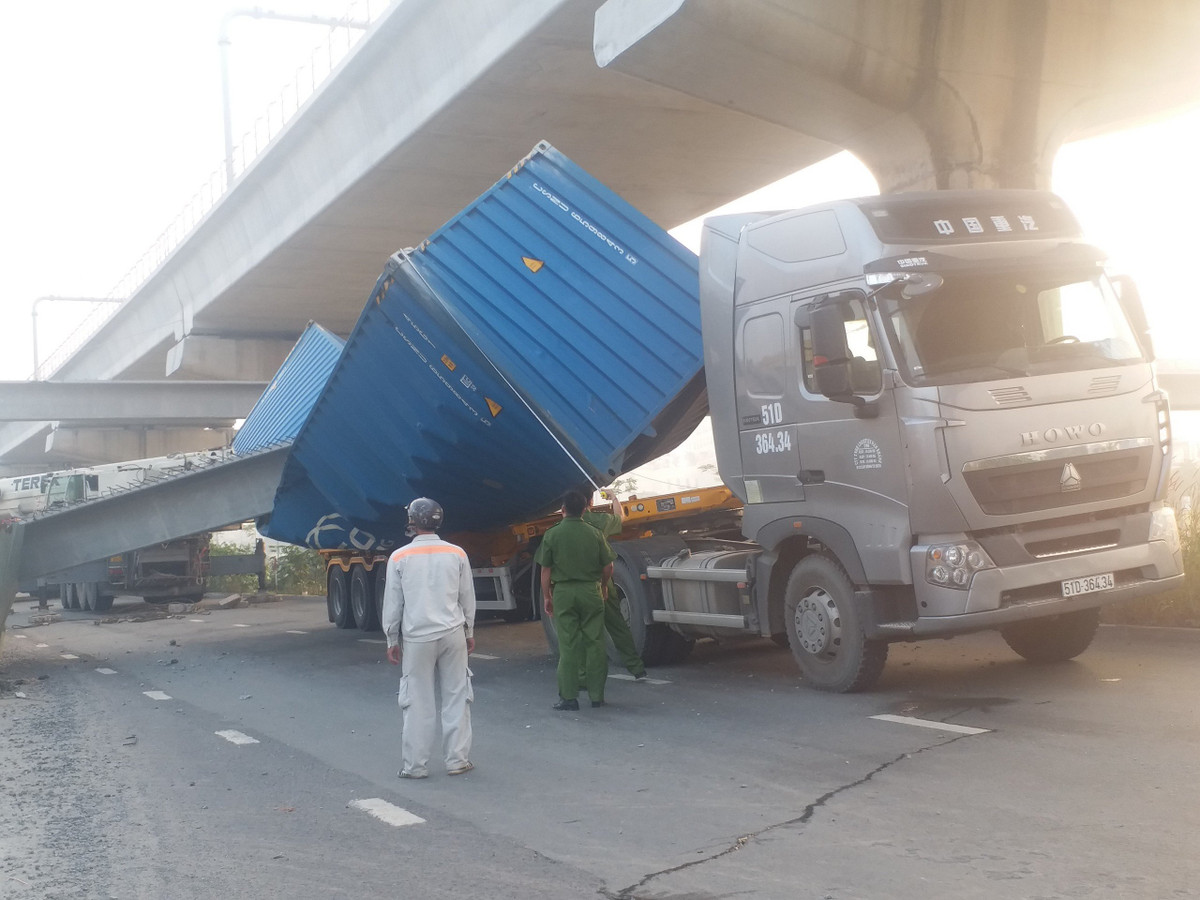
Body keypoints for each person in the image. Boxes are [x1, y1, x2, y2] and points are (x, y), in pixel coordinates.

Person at [382, 497, 477, 778]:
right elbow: (466, 597)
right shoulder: (458, 553)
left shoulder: (399, 557)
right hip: (453, 634)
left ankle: (415, 766)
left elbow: (393, 604)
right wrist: (469, 631)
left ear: (411, 521)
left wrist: (391, 640)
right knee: (457, 696)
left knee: (417, 701)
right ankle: (457, 760)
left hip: (417, 639)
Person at [535, 489, 615, 710]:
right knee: (595, 643)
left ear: (562, 510)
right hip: (591, 591)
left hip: (564, 594)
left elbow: (545, 571)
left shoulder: (552, 534)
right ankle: (597, 696)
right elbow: (608, 565)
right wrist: (602, 585)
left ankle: (569, 698)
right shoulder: (595, 533)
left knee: (568, 645)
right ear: (585, 509)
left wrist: (546, 596)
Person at [581, 488, 647, 680]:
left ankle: (585, 675)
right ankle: (636, 667)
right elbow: (620, 516)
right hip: (602, 581)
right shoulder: (600, 521)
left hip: (576, 586)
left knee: (581, 630)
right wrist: (613, 498)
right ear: (590, 503)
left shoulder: (560, 530)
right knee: (616, 624)